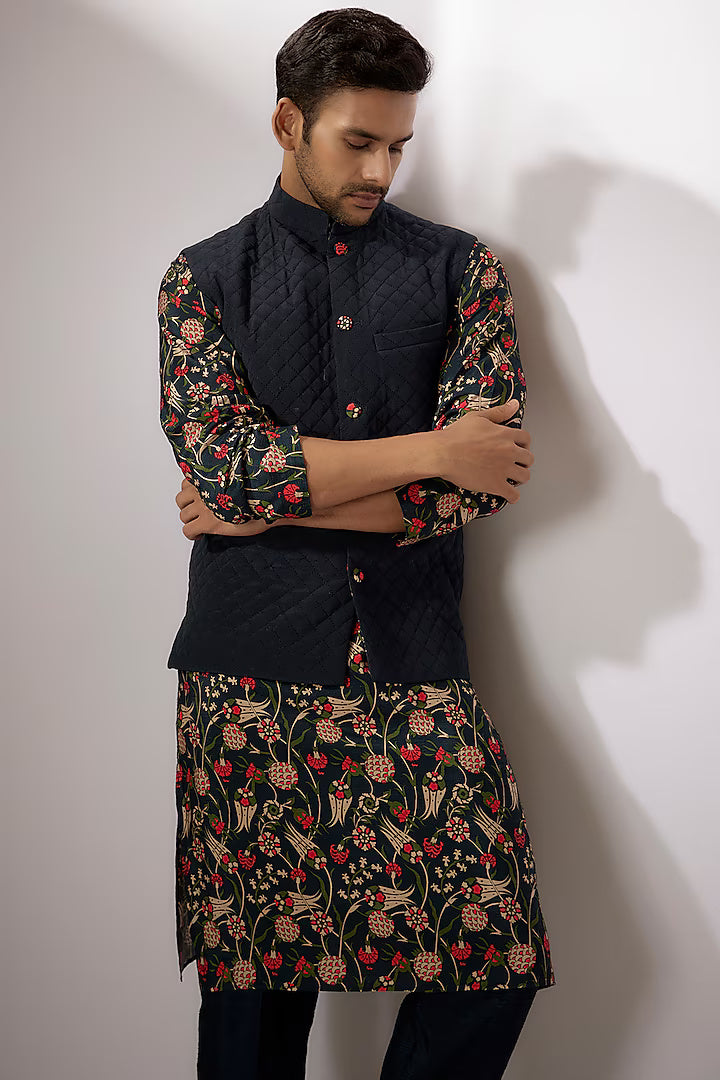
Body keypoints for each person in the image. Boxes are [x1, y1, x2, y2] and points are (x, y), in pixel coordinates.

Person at [157, 8, 556, 1078]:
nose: (381, 169)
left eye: (399, 145)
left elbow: (480, 487)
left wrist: (263, 502)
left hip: (413, 656)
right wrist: (433, 449)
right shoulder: (202, 279)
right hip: (249, 678)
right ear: (288, 122)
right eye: (359, 141)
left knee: (494, 958)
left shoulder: (462, 270)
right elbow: (223, 468)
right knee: (254, 990)